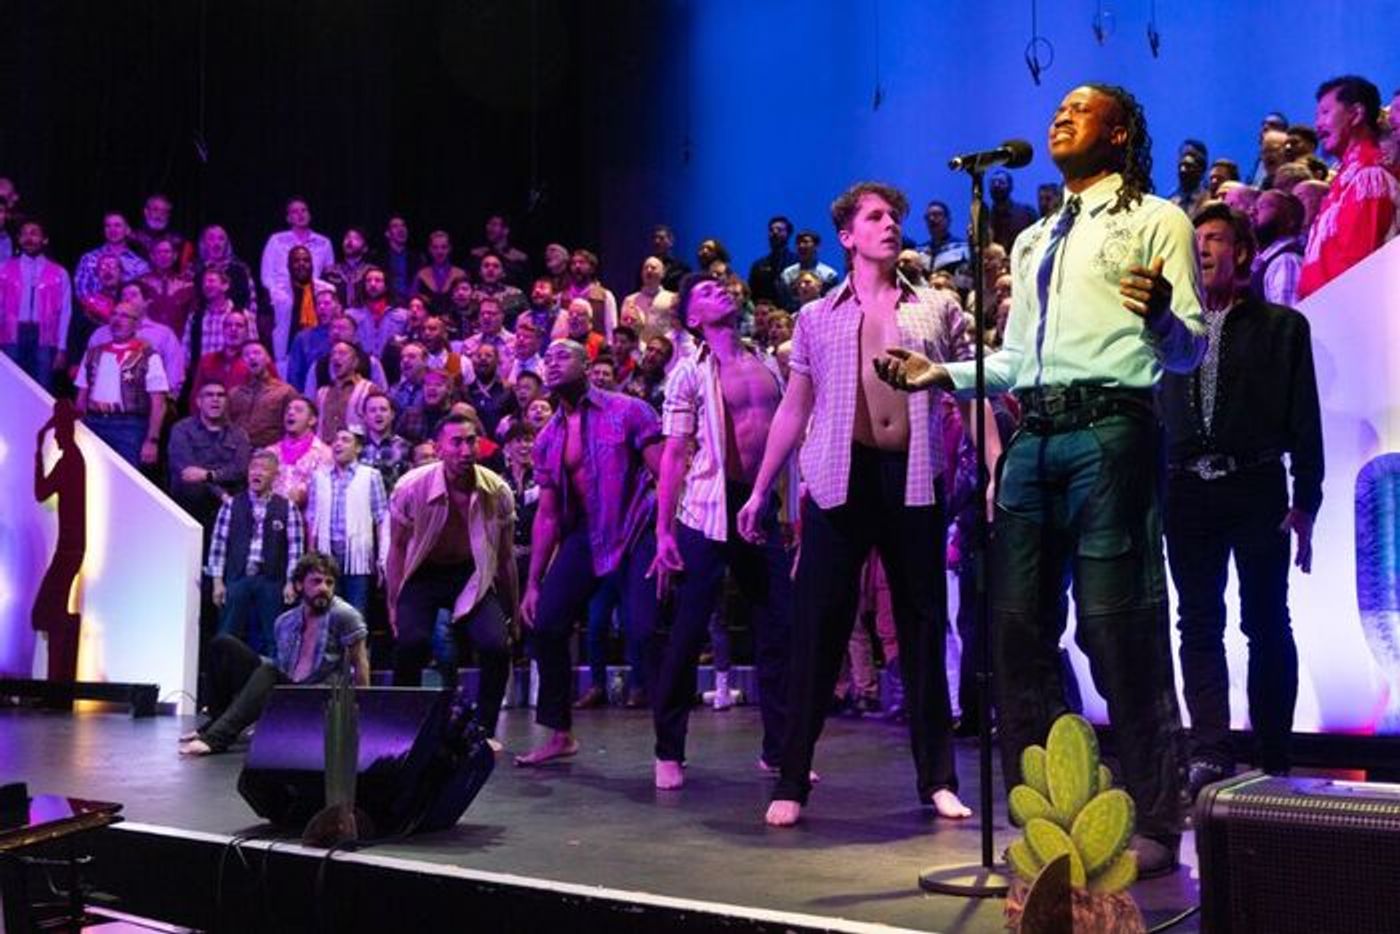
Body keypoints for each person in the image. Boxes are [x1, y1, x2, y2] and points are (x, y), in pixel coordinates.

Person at [872, 83, 1206, 876]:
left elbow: (1188, 349)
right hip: (1036, 434)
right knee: (1013, 627)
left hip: (1111, 430)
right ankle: (1056, 806)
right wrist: (941, 372)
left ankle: (1156, 815)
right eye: (1057, 108)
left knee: (1114, 626)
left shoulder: (1159, 220)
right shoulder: (1034, 240)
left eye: (1081, 109)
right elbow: (1017, 362)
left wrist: (1160, 314)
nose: (1061, 117)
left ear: (1120, 132)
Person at [738, 181, 973, 828]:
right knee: (819, 627)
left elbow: (969, 391)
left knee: (925, 626)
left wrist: (997, 459)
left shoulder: (935, 308)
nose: (890, 224)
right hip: (840, 480)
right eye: (875, 217)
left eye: (894, 216)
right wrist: (761, 488)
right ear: (847, 236)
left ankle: (938, 779)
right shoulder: (818, 316)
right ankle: (791, 777)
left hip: (914, 479)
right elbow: (795, 406)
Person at [1159, 203, 1322, 794]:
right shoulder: (1170, 331)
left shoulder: (1283, 327)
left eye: (1215, 238)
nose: (1202, 248)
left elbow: (1305, 417)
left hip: (1256, 488)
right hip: (1185, 493)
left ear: (1244, 252)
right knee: (1197, 623)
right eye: (1195, 239)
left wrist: (1307, 498)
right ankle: (1208, 749)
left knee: (1266, 620)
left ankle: (1274, 753)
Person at [648, 273, 793, 789]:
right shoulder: (689, 372)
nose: (721, 292)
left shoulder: (770, 362)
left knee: (779, 628)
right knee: (687, 633)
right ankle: (669, 749)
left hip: (760, 509)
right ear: (692, 318)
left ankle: (779, 752)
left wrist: (788, 508)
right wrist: (664, 532)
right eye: (706, 293)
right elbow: (673, 454)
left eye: (722, 288)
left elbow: (788, 437)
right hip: (706, 511)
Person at [515, 339, 664, 766]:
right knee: (546, 624)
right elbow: (546, 516)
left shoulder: (629, 410)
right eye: (548, 358)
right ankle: (560, 734)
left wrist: (669, 535)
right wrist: (533, 582)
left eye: (563, 356)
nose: (552, 363)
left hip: (635, 529)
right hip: (585, 534)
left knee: (642, 630)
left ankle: (669, 740)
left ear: (586, 364)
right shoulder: (548, 437)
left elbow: (667, 475)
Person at [386, 414, 519, 742]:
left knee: (496, 647)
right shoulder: (410, 487)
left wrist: (512, 612)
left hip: (470, 573)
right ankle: (404, 725)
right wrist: (393, 602)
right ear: (438, 448)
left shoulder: (497, 490)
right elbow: (398, 549)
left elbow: (505, 558)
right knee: (411, 643)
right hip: (424, 573)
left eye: (471, 440)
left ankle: (484, 729)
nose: (465, 449)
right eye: (456, 442)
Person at [181, 552, 365, 756]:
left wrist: (363, 715)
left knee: (268, 671)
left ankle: (215, 738)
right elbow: (281, 667)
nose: (324, 588)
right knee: (223, 644)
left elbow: (361, 664)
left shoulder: (345, 615)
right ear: (298, 585)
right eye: (316, 581)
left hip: (317, 701)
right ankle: (216, 722)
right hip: (286, 693)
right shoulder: (284, 622)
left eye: (329, 583)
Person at [1299, 75, 1400, 298]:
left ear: (1356, 114)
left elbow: (1356, 268)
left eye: (1325, 113)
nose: (1318, 124)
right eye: (1317, 116)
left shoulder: (1369, 178)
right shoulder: (1344, 182)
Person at [205, 450, 305, 655]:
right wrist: (217, 582)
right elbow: (218, 543)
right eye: (253, 468)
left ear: (275, 476)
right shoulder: (232, 505)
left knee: (274, 637)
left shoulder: (287, 507)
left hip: (270, 579)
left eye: (263, 469)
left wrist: (290, 582)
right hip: (238, 577)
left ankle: (274, 683)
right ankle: (222, 683)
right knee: (226, 636)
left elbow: (296, 549)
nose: (256, 474)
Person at [74, 302, 168, 468]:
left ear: (137, 324)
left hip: (129, 427)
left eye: (124, 316)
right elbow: (82, 394)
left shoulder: (149, 356)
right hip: (93, 422)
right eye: (114, 314)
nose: (117, 319)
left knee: (125, 479)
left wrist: (152, 440)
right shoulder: (92, 353)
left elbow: (158, 403)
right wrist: (78, 426)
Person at [307, 428, 388, 616]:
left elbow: (381, 519)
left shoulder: (370, 476)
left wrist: (381, 557)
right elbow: (312, 518)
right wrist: (311, 554)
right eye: (335, 440)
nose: (338, 444)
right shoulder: (319, 477)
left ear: (358, 448)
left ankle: (356, 646)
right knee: (326, 612)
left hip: (357, 556)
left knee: (355, 613)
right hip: (326, 556)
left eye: (345, 440)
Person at [168, 381, 251, 534]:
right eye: (209, 395)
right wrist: (221, 493)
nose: (215, 399)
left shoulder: (238, 434)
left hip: (227, 505)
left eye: (221, 395)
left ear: (227, 402)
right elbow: (188, 474)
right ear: (199, 402)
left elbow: (240, 469)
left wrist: (209, 475)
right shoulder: (182, 430)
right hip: (191, 506)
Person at [0, 219, 72, 391]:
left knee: (42, 389)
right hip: (12, 335)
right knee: (10, 388)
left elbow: (65, 312)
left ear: (44, 239)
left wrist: (62, 347)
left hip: (44, 338)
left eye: (34, 233)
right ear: (18, 239)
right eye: (24, 234)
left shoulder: (59, 273)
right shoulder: (4, 269)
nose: (29, 238)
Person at [260, 197, 334, 357]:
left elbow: (329, 273)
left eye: (304, 210)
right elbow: (266, 273)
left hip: (312, 294)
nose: (300, 214)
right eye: (295, 211)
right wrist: (275, 294)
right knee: (284, 341)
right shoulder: (277, 240)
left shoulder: (323, 243)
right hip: (283, 296)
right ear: (288, 218)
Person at [264, 396, 333, 510]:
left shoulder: (325, 454)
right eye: (288, 410)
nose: (291, 412)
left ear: (312, 420)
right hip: (272, 516)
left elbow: (325, 491)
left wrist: (304, 494)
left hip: (308, 518)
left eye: (298, 410)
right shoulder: (270, 453)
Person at [228, 340, 298, 449]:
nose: (252, 357)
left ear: (267, 358)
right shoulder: (234, 394)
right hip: (238, 452)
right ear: (242, 362)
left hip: (271, 454)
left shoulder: (284, 392)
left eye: (257, 353)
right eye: (246, 355)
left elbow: (295, 427)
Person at [74, 212, 150, 303]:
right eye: (108, 226)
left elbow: (142, 297)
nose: (112, 230)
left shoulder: (140, 265)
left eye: (117, 225)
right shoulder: (89, 259)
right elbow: (81, 292)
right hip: (93, 314)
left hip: (128, 314)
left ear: (127, 230)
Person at [1251, 189, 1306, 307]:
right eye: (1254, 206)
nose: (1252, 211)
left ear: (1291, 220)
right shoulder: (1264, 262)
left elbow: (1286, 322)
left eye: (1263, 206)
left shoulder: (1286, 262)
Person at [139, 236, 195, 337]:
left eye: (167, 252)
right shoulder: (141, 283)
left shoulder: (187, 285)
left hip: (178, 341)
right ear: (152, 256)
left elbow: (192, 318)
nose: (163, 255)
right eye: (159, 252)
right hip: (148, 341)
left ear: (175, 256)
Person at [359, 390, 413, 491]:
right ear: (365, 417)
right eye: (372, 410)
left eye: (383, 409)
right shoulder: (357, 448)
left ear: (392, 415)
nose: (378, 414)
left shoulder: (405, 447)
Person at [560, 249, 619, 339]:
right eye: (573, 263)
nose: (577, 266)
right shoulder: (562, 296)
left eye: (582, 262)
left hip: (596, 348)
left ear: (591, 268)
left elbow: (611, 327)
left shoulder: (604, 296)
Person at [620, 256, 678, 340]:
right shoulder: (630, 300)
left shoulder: (672, 299)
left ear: (663, 273)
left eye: (653, 268)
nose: (649, 270)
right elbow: (624, 330)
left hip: (663, 350)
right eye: (646, 268)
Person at [778, 231, 838, 310]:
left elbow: (830, 301)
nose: (801, 246)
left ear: (816, 246)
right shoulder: (788, 274)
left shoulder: (828, 274)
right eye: (798, 243)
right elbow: (785, 301)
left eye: (805, 242)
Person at [415, 230, 468, 317]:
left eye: (444, 247)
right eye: (435, 247)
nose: (439, 251)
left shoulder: (460, 274)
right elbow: (413, 300)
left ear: (449, 248)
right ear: (430, 249)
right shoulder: (421, 275)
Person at [747, 216, 798, 305]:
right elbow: (751, 295)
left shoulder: (797, 262)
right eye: (771, 230)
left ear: (788, 234)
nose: (774, 232)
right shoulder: (759, 266)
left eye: (779, 230)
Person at [375, 214, 425, 305]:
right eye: (395, 226)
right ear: (387, 234)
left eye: (403, 225)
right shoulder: (378, 258)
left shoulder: (417, 258)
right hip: (386, 305)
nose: (401, 229)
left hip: (411, 306)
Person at [469, 214, 530, 287]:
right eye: (488, 224)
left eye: (494, 224)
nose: (489, 228)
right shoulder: (476, 255)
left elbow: (525, 286)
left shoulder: (519, 259)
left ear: (505, 230)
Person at [987, 168, 1038, 251]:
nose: (996, 185)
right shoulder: (985, 219)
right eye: (993, 183)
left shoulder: (1027, 213)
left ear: (1010, 187)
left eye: (1001, 182)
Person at [324, 227, 373, 308]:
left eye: (356, 238)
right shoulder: (330, 272)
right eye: (347, 237)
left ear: (365, 248)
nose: (350, 241)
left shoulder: (371, 272)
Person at [649, 224, 690, 292]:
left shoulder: (682, 268)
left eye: (661, 238)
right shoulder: (646, 267)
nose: (657, 241)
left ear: (671, 242)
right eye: (654, 238)